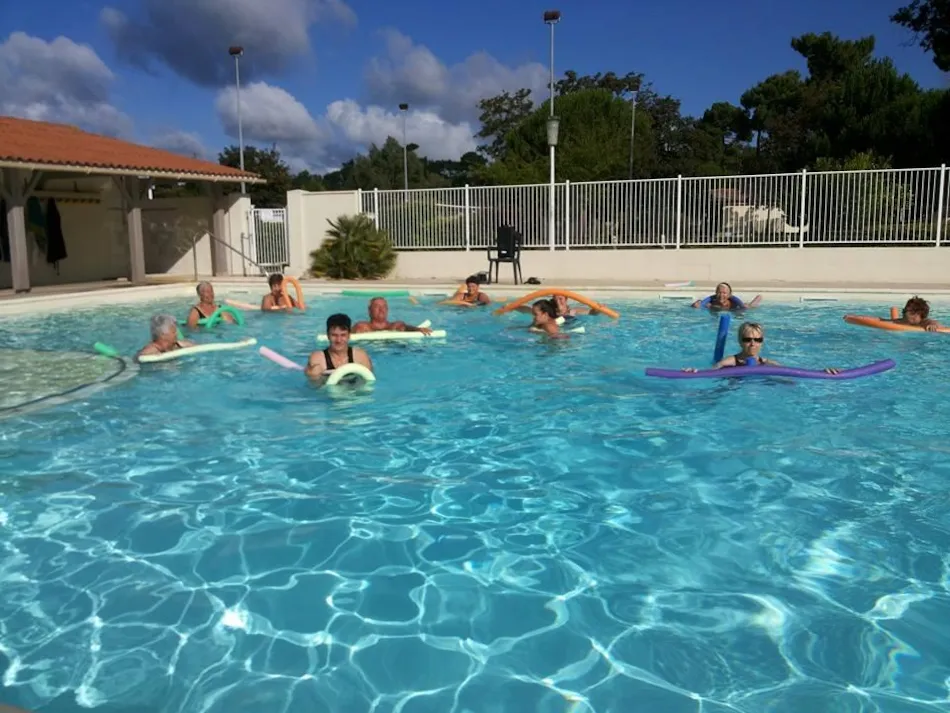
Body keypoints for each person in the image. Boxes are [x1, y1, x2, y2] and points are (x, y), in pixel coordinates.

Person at [684, 322, 838, 373]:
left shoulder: (768, 363)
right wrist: (693, 372)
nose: (753, 343)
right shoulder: (730, 361)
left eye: (757, 339)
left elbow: (793, 374)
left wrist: (823, 373)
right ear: (740, 341)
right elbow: (710, 373)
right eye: (747, 339)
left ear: (762, 341)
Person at [305, 313, 374, 385]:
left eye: (343, 335)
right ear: (328, 336)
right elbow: (314, 389)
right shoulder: (318, 358)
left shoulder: (360, 356)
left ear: (349, 335)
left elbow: (369, 384)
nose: (338, 340)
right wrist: (315, 377)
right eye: (334, 335)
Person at [352, 297, 433, 334]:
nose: (381, 309)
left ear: (387, 310)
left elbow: (406, 327)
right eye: (377, 306)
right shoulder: (361, 326)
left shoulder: (396, 326)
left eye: (384, 307)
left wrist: (417, 329)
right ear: (369, 311)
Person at [690, 282, 762, 311]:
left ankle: (758, 298)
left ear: (729, 295)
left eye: (724, 293)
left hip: (733, 310)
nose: (721, 295)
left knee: (749, 306)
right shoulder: (710, 303)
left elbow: (742, 310)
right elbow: (697, 306)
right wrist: (695, 305)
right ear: (715, 293)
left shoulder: (734, 303)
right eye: (719, 292)